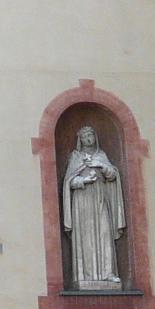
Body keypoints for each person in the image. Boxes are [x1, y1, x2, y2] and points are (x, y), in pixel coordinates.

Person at [62, 124, 125, 289]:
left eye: (90, 135)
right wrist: (83, 181)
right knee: (86, 237)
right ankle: (85, 275)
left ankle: (108, 273)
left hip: (100, 198)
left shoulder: (101, 155)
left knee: (104, 233)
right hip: (82, 202)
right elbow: (69, 181)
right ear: (80, 139)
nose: (88, 139)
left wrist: (101, 165)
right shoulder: (75, 157)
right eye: (84, 136)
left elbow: (112, 175)